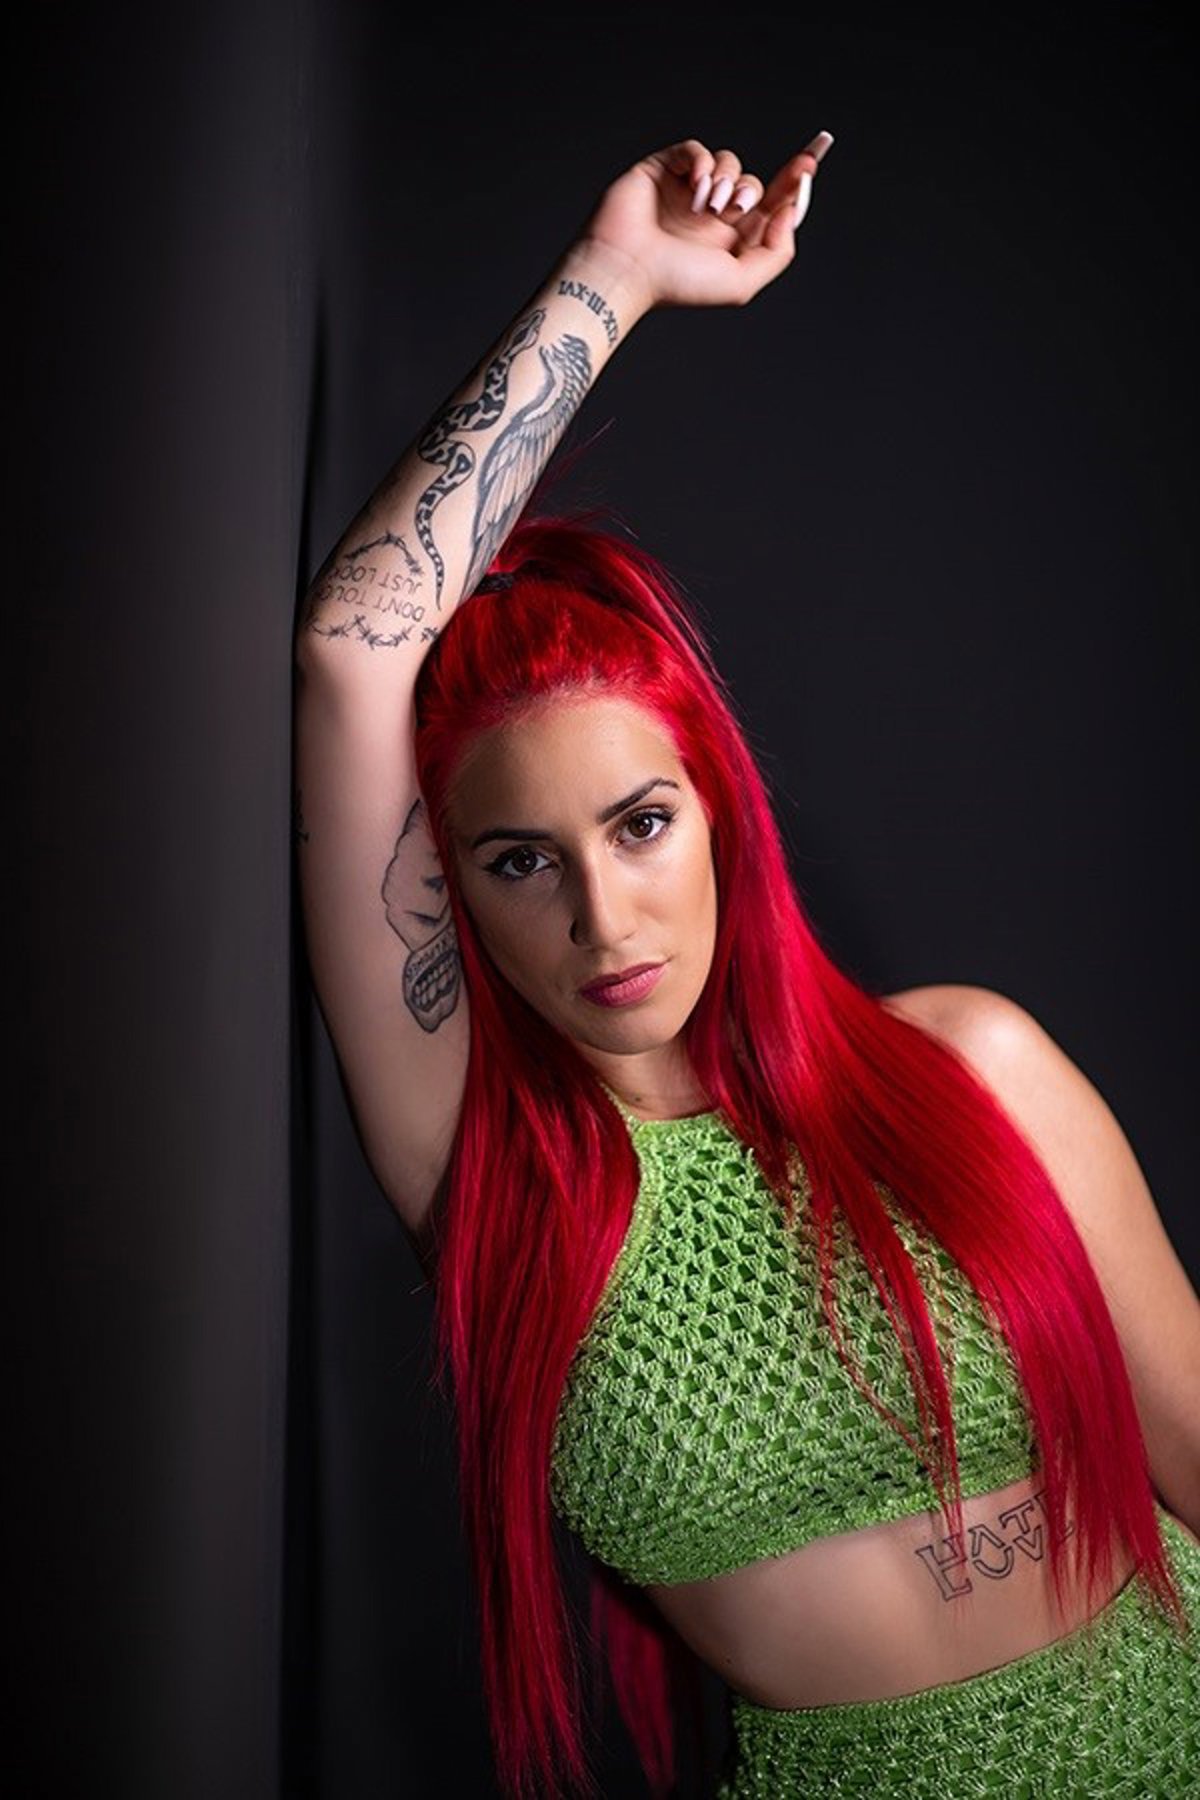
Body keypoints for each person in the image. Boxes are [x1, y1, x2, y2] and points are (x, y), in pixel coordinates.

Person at [293, 134, 1200, 1798]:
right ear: (455, 893)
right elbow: (357, 650)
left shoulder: (973, 1066)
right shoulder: (493, 1170)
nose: (602, 917)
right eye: (519, 862)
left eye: (640, 826)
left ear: (720, 815)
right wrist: (617, 276)